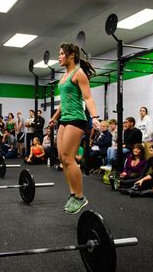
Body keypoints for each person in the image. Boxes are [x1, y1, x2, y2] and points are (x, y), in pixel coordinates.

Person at [48, 42, 100, 214]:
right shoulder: (64, 77)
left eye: (62, 53)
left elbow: (88, 98)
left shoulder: (79, 74)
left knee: (69, 158)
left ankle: (80, 197)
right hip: (64, 119)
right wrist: (54, 118)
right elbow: (63, 102)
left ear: (71, 56)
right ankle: (72, 193)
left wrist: (95, 117)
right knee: (62, 159)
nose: (59, 56)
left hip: (77, 119)